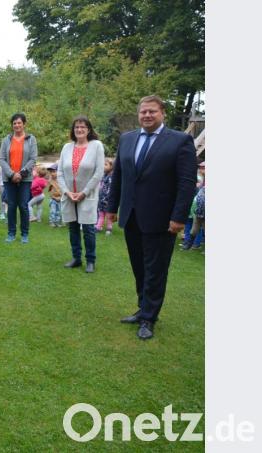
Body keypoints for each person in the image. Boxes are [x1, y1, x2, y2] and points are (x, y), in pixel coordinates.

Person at [106, 95, 197, 340]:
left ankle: (149, 318)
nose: (147, 115)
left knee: (155, 269)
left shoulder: (180, 141)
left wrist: (179, 217)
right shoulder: (127, 139)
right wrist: (112, 207)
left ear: (162, 113)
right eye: (143, 111)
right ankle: (142, 308)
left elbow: (187, 183)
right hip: (132, 216)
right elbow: (118, 176)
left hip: (162, 219)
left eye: (152, 111)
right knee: (139, 267)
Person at [57, 116, 106, 273]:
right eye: (77, 127)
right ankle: (76, 258)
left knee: (88, 229)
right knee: (73, 227)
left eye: (83, 127)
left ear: (88, 129)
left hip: (87, 195)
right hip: (69, 195)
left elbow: (99, 173)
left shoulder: (96, 146)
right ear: (73, 130)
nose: (79, 129)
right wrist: (67, 192)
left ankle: (90, 260)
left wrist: (84, 193)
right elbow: (59, 173)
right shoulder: (66, 147)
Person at [0, 113, 38, 244]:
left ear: (24, 124)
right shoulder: (6, 140)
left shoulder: (31, 139)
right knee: (11, 206)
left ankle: (25, 234)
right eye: (14, 123)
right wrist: (12, 174)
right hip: (9, 179)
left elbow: (33, 159)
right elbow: (2, 159)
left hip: (25, 179)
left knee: (23, 206)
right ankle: (11, 233)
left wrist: (21, 174)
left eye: (19, 123)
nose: (17, 125)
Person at [95, 158, 115, 235]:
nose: (103, 166)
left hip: (107, 200)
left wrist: (108, 198)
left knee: (108, 215)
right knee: (101, 213)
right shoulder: (103, 175)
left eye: (106, 165)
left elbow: (111, 188)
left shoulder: (111, 177)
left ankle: (109, 228)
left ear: (111, 167)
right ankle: (98, 227)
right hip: (101, 199)